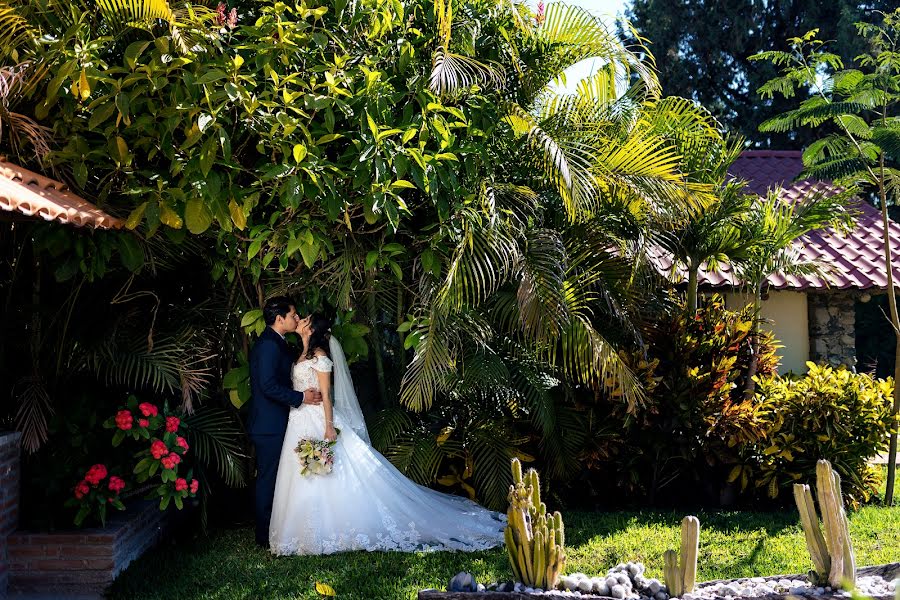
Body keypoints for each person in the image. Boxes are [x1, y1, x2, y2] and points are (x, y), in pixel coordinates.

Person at [269, 312, 505, 555]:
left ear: (312, 329)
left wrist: (329, 426)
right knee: (303, 474)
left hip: (319, 419)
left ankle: (325, 531)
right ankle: (299, 532)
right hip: (299, 422)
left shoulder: (320, 357)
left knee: (326, 473)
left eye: (305, 319)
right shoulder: (301, 353)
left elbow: (327, 395)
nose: (300, 320)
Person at [247, 296, 322, 549]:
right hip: (268, 425)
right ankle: (264, 536)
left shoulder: (277, 343)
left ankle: (273, 530)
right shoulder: (268, 345)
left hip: (275, 423)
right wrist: (301, 397)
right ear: (280, 319)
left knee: (275, 478)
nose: (296, 318)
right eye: (293, 314)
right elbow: (268, 385)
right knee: (268, 479)